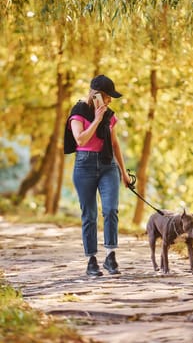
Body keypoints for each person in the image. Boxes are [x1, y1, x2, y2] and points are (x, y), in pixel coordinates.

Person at [64, 74, 130, 276]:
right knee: (89, 215)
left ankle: (110, 256)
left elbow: (115, 144)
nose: (110, 101)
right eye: (108, 96)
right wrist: (97, 119)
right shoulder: (79, 111)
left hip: (108, 165)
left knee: (110, 210)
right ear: (97, 95)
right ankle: (91, 260)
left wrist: (124, 173)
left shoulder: (110, 115)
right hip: (84, 165)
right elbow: (81, 140)